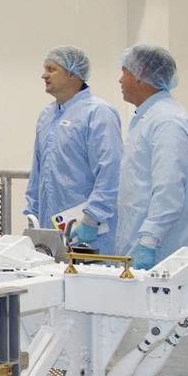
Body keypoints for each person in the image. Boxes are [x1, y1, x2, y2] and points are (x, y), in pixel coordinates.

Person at [23, 46, 123, 250]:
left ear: (72, 73)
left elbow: (111, 169)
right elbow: (38, 171)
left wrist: (92, 218)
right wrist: (32, 212)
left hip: (90, 232)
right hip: (51, 231)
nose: (44, 75)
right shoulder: (46, 116)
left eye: (52, 69)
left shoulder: (98, 113)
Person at [116, 44, 188, 270]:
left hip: (161, 254)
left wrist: (149, 242)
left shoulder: (168, 122)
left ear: (140, 74)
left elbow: (169, 188)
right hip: (138, 247)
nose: (120, 80)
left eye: (124, 72)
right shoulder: (148, 118)